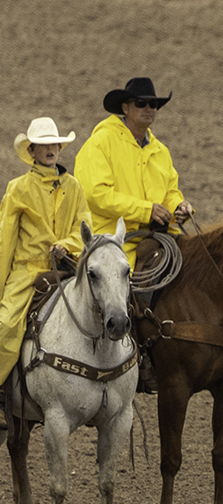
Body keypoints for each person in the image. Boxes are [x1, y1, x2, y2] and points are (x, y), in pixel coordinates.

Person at [1, 118, 91, 418]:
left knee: (110, 305)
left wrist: (68, 243)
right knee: (5, 327)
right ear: (33, 150)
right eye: (44, 144)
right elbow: (4, 241)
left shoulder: (74, 186)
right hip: (27, 272)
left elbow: (84, 227)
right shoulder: (18, 189)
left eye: (55, 144)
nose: (51, 149)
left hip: (67, 266)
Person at [74, 78, 192, 267]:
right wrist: (146, 211)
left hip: (158, 237)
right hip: (111, 240)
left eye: (153, 104)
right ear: (125, 108)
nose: (148, 108)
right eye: (140, 103)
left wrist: (178, 207)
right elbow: (96, 195)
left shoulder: (161, 151)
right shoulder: (100, 143)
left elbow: (169, 193)